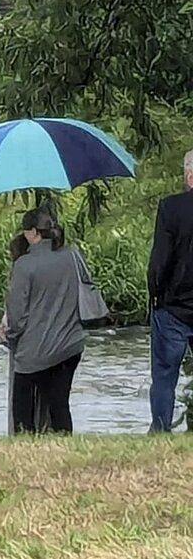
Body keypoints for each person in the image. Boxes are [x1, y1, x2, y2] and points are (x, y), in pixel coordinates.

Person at [5, 209, 85, 435]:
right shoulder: (72, 255)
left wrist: (10, 335)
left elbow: (17, 316)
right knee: (60, 403)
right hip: (71, 345)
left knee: (22, 405)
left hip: (34, 352)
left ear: (32, 232)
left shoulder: (24, 265)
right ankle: (64, 443)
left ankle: (24, 445)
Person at [147, 150, 193, 433]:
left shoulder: (171, 208)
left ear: (189, 176)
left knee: (165, 374)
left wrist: (155, 294)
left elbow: (159, 260)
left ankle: (161, 428)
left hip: (174, 307)